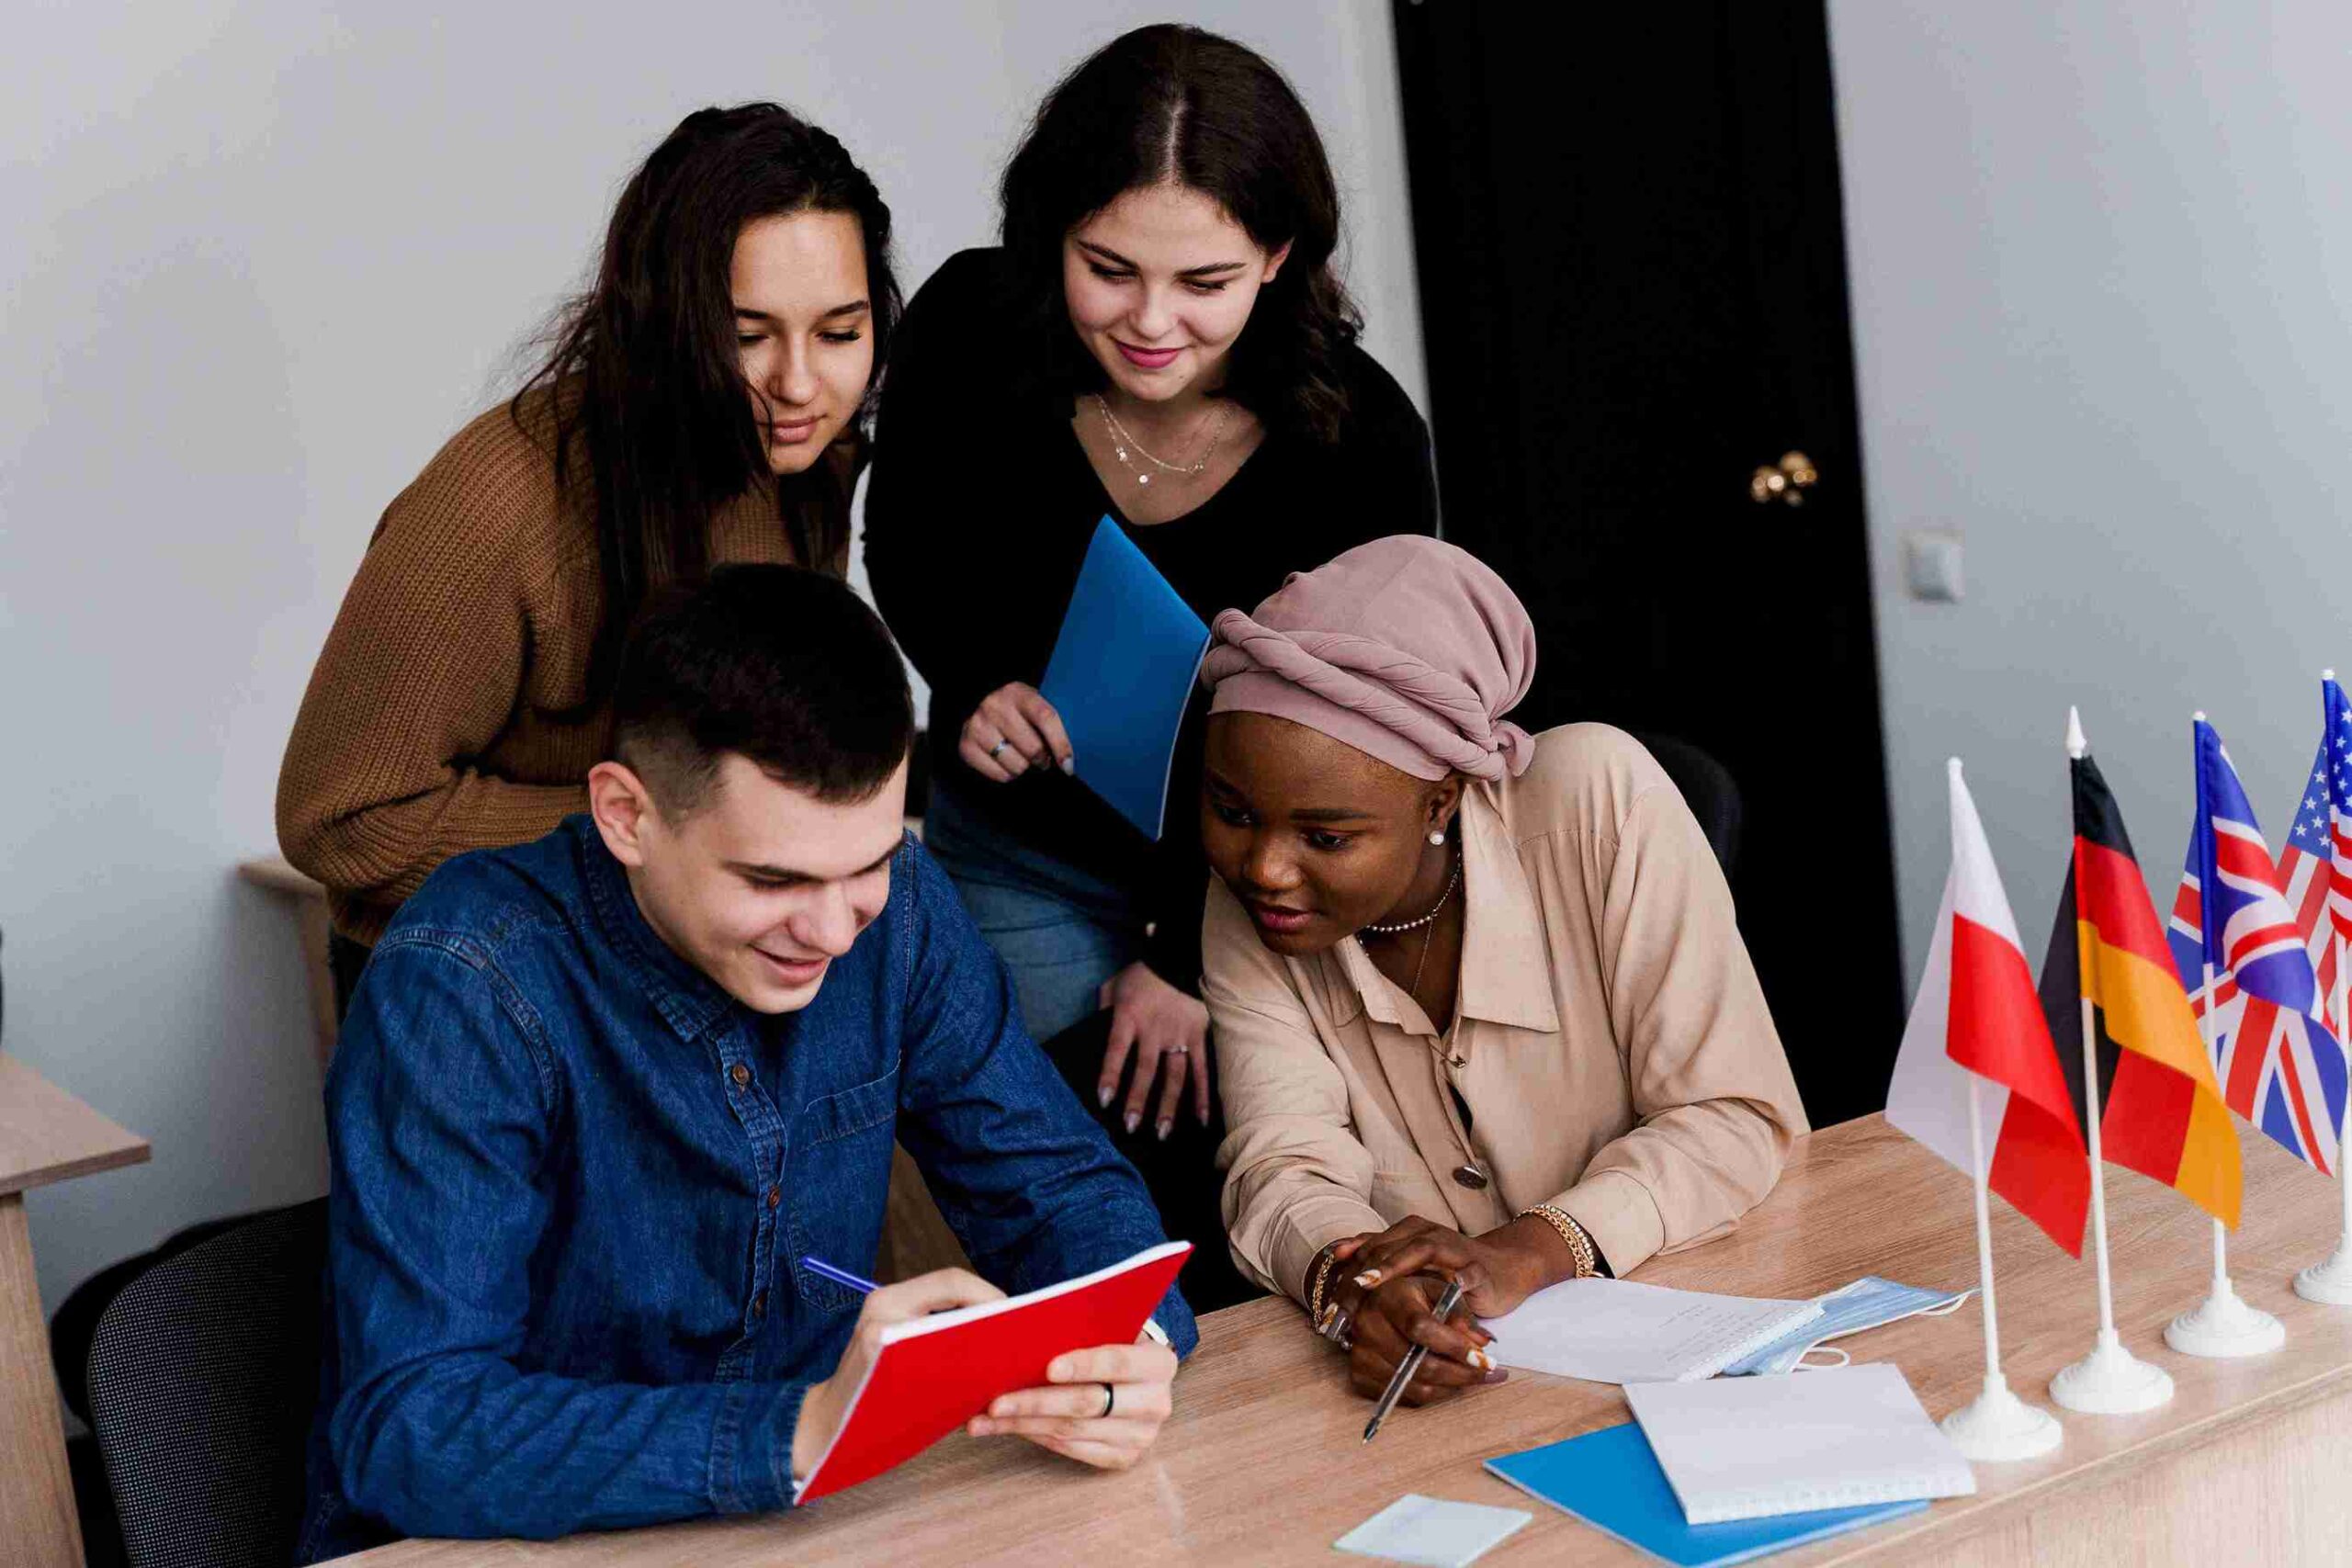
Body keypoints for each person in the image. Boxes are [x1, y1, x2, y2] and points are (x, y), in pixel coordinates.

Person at [299, 566, 1193, 1559]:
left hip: (807, 1524)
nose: (831, 929)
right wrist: (804, 1431)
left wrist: (1130, 1350)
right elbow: (413, 1431)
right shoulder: (464, 979)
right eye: (773, 879)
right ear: (626, 816)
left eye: (866, 863)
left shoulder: (902, 908)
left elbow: (1059, 1188)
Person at [864, 25, 1438, 1173]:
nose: (1151, 322)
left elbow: (1356, 739)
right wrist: (976, 678)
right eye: (1108, 269)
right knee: (1032, 1171)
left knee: (1264, 1182)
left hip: (1259, 882)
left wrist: (1183, 956)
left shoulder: (1360, 442)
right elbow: (906, 538)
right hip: (1022, 849)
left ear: (1277, 256)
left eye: (1205, 283)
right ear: (1051, 238)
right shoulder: (974, 326)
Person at [277, 103, 899, 1015]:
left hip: (679, 949)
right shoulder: (502, 498)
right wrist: (667, 833)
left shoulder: (811, 458)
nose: (800, 384)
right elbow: (340, 818)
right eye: (747, 335)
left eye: (840, 333)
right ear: (663, 319)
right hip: (472, 979)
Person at [1195, 536, 1807, 1408]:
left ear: (1440, 800)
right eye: (1231, 811)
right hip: (1463, 1386)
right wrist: (1355, 1287)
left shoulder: (1600, 797)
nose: (1265, 868)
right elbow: (1283, 1165)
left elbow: (1733, 1114)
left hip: (1712, 1320)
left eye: (1326, 837)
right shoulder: (1248, 906)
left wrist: (1533, 1246)